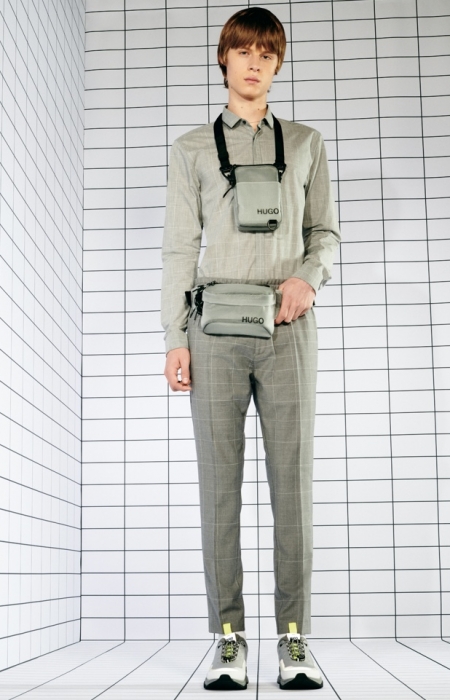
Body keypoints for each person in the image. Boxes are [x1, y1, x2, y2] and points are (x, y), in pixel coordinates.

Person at [161, 6, 340, 691]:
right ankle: (229, 640)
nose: (255, 63)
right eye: (244, 51)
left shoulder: (306, 143)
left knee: (292, 487)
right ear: (224, 59)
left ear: (278, 64)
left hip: (288, 326)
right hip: (213, 331)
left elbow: (325, 232)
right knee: (220, 491)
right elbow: (179, 249)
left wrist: (308, 277)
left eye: (267, 53)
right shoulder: (191, 150)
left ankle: (294, 638)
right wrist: (174, 338)